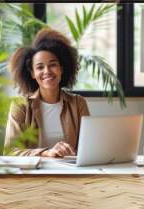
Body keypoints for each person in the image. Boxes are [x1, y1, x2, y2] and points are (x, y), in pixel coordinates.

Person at [5, 28, 90, 157]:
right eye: (40, 67)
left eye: (53, 65)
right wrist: (46, 153)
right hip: (34, 174)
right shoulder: (20, 106)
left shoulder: (78, 103)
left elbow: (89, 146)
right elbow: (10, 152)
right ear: (32, 73)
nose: (47, 71)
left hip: (70, 173)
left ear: (61, 68)